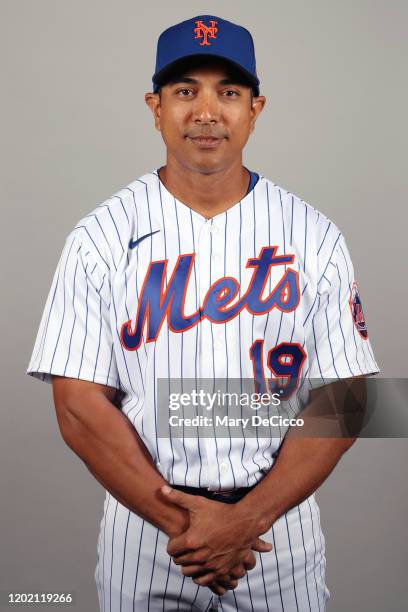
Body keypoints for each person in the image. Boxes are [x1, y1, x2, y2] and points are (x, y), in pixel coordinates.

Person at [26, 14, 380, 612]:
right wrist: (191, 529)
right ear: (155, 106)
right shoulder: (101, 236)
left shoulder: (313, 235)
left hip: (276, 536)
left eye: (230, 92)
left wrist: (247, 522)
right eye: (186, 90)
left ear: (256, 109)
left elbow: (348, 396)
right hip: (145, 534)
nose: (207, 111)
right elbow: (78, 407)